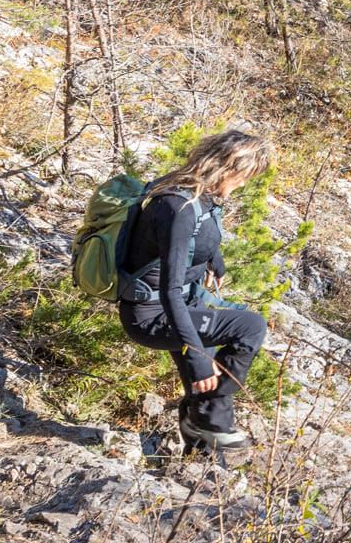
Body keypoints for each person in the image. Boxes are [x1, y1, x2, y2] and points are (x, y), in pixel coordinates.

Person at [117, 129, 273, 456]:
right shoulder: (179, 207)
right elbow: (171, 291)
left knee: (225, 335)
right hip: (153, 314)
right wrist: (199, 357)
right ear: (227, 167)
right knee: (251, 326)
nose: (245, 183)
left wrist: (214, 259)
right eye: (245, 175)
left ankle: (201, 450)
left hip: (178, 304)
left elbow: (188, 243)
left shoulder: (192, 192)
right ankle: (209, 411)